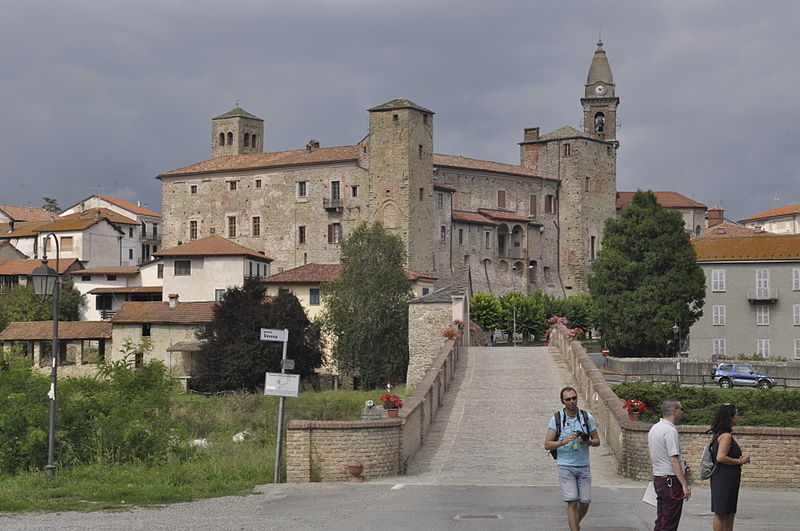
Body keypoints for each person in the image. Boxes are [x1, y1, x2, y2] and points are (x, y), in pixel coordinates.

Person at [544, 386, 600, 531]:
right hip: (565, 465)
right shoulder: (557, 419)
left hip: (583, 465)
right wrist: (564, 441)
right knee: (572, 501)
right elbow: (547, 444)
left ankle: (574, 524)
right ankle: (574, 528)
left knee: (585, 502)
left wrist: (587, 441)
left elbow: (597, 441)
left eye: (574, 398)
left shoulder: (586, 417)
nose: (572, 402)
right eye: (568, 399)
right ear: (563, 401)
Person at [648, 398, 691, 531]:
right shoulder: (670, 431)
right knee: (670, 522)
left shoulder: (654, 428)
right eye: (681, 409)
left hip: (659, 478)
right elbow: (673, 460)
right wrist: (684, 485)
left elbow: (654, 456)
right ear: (674, 411)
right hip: (670, 481)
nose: (682, 412)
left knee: (661, 519)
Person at [709, 403, 750, 531]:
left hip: (724, 476)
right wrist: (740, 461)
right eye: (736, 414)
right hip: (725, 477)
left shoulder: (718, 434)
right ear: (730, 418)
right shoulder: (726, 436)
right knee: (722, 512)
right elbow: (721, 457)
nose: (738, 417)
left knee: (728, 511)